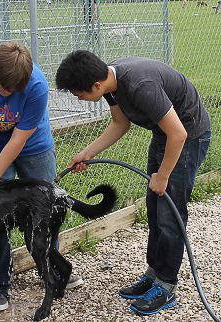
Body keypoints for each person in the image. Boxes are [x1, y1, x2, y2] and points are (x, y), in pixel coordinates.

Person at [55, 50, 211, 316]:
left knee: (170, 215)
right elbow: (120, 123)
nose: (76, 97)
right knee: (154, 207)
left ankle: (166, 285)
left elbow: (179, 133)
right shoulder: (108, 82)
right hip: (165, 136)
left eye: (76, 92)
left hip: (187, 137)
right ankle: (154, 274)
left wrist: (162, 176)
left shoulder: (141, 86)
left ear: (95, 85)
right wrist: (88, 152)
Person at [0, 41, 83, 312]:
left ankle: (52, 270)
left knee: (44, 211)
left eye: (15, 91)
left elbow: (18, 140)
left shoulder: (36, 85)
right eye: (4, 89)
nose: (10, 94)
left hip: (34, 147)